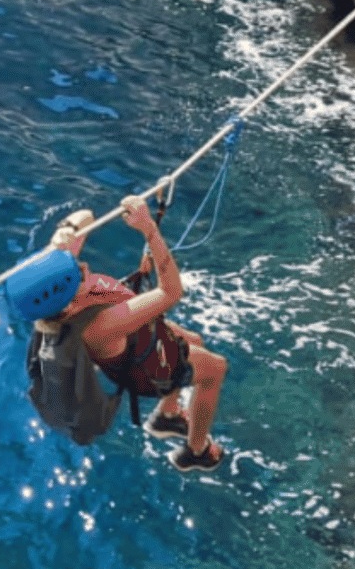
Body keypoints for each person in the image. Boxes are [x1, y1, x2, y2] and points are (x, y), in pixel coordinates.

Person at [50, 194, 229, 472]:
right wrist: (149, 230)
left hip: (139, 338)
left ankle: (167, 416)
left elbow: (84, 215)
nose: (83, 265)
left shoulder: (58, 281)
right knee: (216, 369)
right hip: (148, 371)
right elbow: (171, 292)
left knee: (194, 341)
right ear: (70, 302)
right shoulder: (98, 325)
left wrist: (67, 232)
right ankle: (196, 451)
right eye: (78, 273)